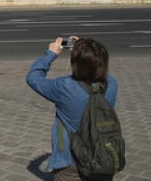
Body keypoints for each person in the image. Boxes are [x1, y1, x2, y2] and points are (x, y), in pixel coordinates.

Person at [26, 37, 118, 181]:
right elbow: (97, 69)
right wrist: (87, 51)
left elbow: (33, 77)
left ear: (75, 64)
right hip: (103, 157)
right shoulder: (111, 84)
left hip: (70, 162)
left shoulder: (65, 87)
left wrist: (51, 54)